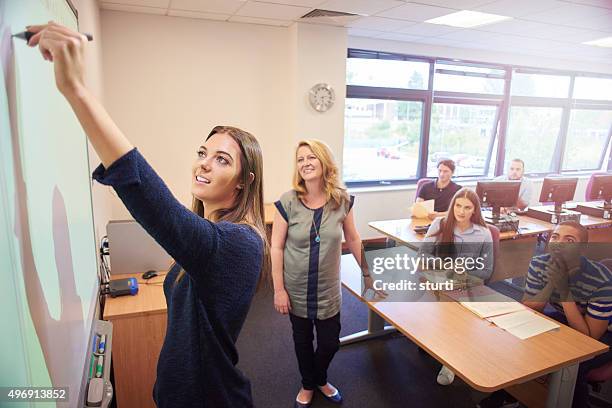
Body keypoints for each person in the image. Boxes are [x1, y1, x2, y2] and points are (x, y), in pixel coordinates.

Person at [27, 23, 270, 407]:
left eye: (221, 160)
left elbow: (156, 205)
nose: (203, 165)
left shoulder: (239, 243)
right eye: (202, 152)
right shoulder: (212, 232)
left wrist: (75, 90)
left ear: (244, 181)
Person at [271, 140, 383, 408]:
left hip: (328, 288)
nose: (305, 163)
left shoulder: (342, 200)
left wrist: (367, 273)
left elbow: (353, 239)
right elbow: (275, 247)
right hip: (296, 287)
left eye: (312, 157)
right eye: (300, 159)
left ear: (324, 163)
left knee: (330, 343)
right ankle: (309, 384)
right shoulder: (288, 201)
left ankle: (319, 378)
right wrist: (278, 289)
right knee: (302, 340)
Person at [478, 221, 612, 408]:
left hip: (604, 334)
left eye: (569, 239)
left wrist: (564, 290)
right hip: (569, 318)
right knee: (519, 339)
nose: (558, 243)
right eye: (555, 237)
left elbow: (589, 339)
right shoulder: (540, 263)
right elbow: (530, 310)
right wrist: (551, 283)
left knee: (573, 366)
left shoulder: (601, 280)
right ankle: (510, 393)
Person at [420, 187, 493, 386]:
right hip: (438, 281)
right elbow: (422, 255)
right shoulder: (440, 224)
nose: (461, 211)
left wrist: (466, 273)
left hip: (465, 285)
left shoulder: (483, 234)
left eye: (467, 207)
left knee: (455, 317)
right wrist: (445, 266)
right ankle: (436, 341)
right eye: (458, 206)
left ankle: (450, 362)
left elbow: (486, 271)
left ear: (475, 210)